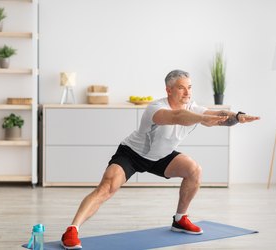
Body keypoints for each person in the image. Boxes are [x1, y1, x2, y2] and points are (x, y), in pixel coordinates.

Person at [61, 69, 260, 249]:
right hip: (132, 154)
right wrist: (203, 118)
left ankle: (180, 219)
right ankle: (72, 230)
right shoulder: (155, 108)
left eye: (189, 87)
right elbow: (178, 117)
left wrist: (238, 116)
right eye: (181, 88)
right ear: (169, 90)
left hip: (161, 156)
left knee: (194, 170)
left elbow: (220, 116)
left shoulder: (194, 108)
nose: (187, 92)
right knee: (106, 188)